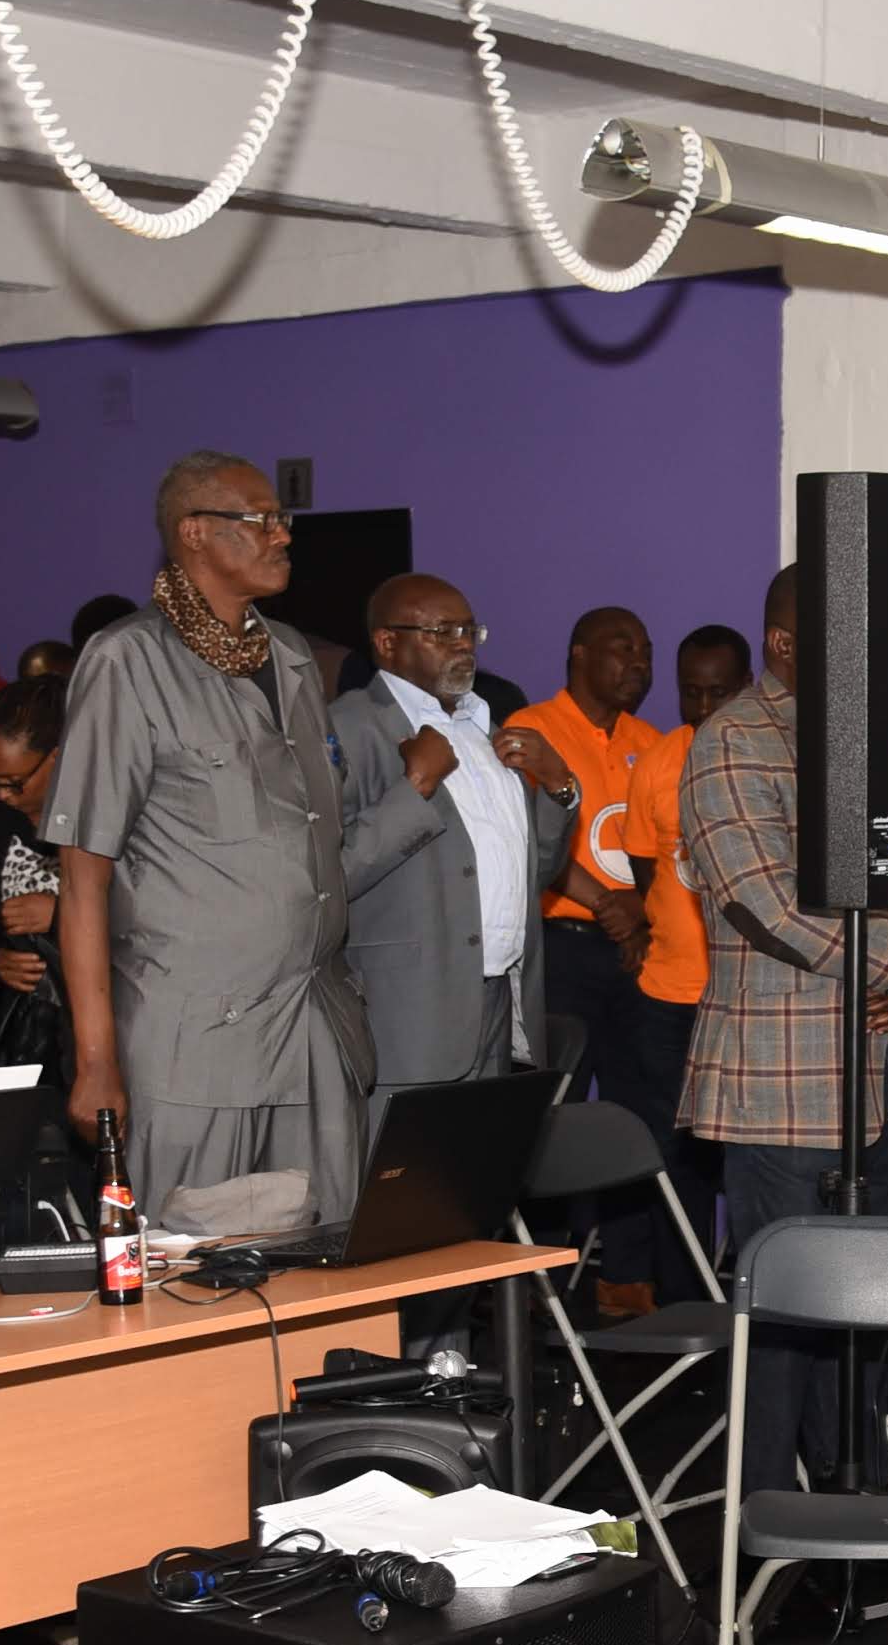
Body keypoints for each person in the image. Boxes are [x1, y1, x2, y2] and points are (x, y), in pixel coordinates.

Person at [678, 565, 888, 1490]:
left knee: (870, 1306)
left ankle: (856, 1502)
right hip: (787, 1082)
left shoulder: (881, 742)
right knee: (787, 1319)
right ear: (783, 644)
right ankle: (764, 1520)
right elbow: (768, 907)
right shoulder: (732, 744)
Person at [51, 456, 372, 1219]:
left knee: (329, 1256)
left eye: (281, 520)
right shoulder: (127, 662)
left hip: (314, 1020)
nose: (282, 535)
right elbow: (83, 876)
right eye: (261, 520)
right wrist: (95, 1062)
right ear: (194, 532)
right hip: (197, 1038)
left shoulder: (291, 658)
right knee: (191, 1257)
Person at [340, 572, 569, 1096]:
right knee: (399, 1155)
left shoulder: (488, 733)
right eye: (442, 632)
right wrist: (414, 788)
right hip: (406, 1018)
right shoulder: (350, 727)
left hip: (497, 1004)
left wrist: (559, 789)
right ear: (387, 642)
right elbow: (331, 874)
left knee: (477, 1153)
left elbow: (530, 875)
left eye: (469, 631)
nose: (463, 644)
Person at [513, 608, 664, 1291]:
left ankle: (627, 1281)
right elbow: (526, 837)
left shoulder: (649, 742)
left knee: (637, 1114)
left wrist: (639, 918)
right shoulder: (533, 730)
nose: (638, 662)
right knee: (550, 1118)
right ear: (578, 654)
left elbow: (661, 851)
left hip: (636, 954)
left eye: (645, 651)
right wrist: (607, 903)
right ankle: (536, 1285)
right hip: (563, 949)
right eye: (621, 648)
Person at [610, 622, 749, 1285]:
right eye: (690, 692)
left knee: (753, 1158)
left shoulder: (772, 757)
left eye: (718, 692)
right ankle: (680, 1300)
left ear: (746, 686)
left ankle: (757, 1298)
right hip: (668, 1000)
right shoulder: (660, 761)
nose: (703, 706)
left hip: (748, 1002)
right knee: (675, 1157)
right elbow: (647, 871)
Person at [0, 675, 70, 1127]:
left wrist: (61, 914)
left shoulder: (112, 823)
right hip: (30, 1040)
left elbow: (156, 921)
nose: (3, 794)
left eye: (14, 782)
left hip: (115, 1034)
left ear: (59, 758)